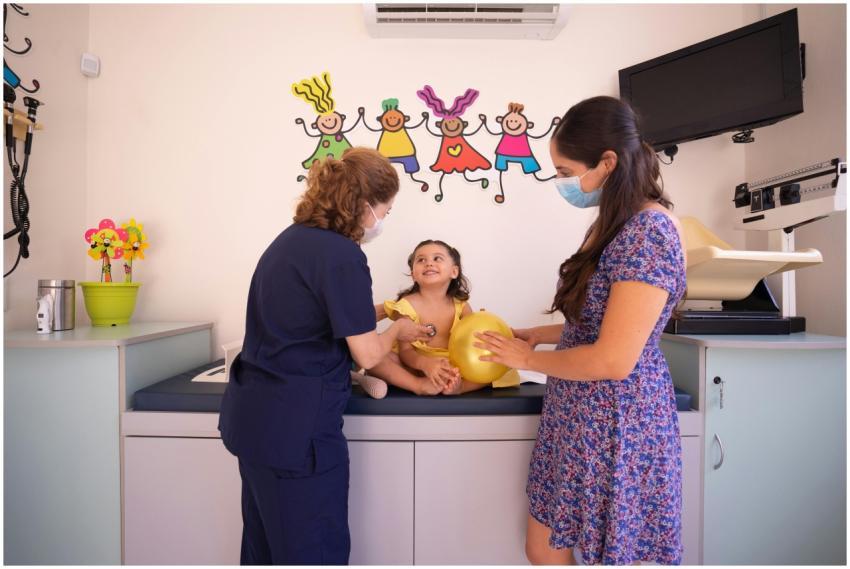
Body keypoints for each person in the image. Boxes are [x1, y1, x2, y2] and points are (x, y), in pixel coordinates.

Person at [475, 96, 687, 565]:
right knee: (543, 549)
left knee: (605, 553)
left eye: (565, 170)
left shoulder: (649, 232)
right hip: (576, 417)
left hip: (617, 424)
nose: (562, 182)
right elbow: (597, 319)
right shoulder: (614, 224)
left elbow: (613, 358)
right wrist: (535, 334)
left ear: (607, 162)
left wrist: (524, 360)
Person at [218, 147, 430, 565]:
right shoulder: (342, 255)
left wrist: (386, 310)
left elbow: (317, 316)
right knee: (313, 553)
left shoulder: (292, 240)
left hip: (257, 423)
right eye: (385, 211)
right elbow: (367, 352)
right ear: (364, 205)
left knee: (265, 553)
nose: (383, 221)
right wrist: (398, 331)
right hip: (298, 435)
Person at [364, 239, 520, 396]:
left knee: (502, 364)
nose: (429, 263)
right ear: (413, 275)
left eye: (437, 258)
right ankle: (416, 385)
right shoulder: (407, 306)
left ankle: (460, 387)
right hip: (414, 367)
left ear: (454, 271)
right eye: (421, 260)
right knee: (373, 355)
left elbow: (473, 344)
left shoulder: (461, 306)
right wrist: (425, 364)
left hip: (453, 366)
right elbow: (406, 351)